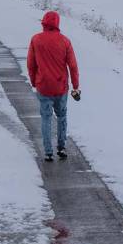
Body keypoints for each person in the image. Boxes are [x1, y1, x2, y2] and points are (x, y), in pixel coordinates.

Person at [26, 10, 80, 162]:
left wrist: (33, 81)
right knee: (61, 116)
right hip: (60, 86)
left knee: (46, 118)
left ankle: (48, 151)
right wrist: (75, 86)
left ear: (44, 23)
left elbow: (31, 64)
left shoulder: (36, 40)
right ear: (57, 24)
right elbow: (73, 66)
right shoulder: (65, 41)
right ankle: (61, 147)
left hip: (43, 86)